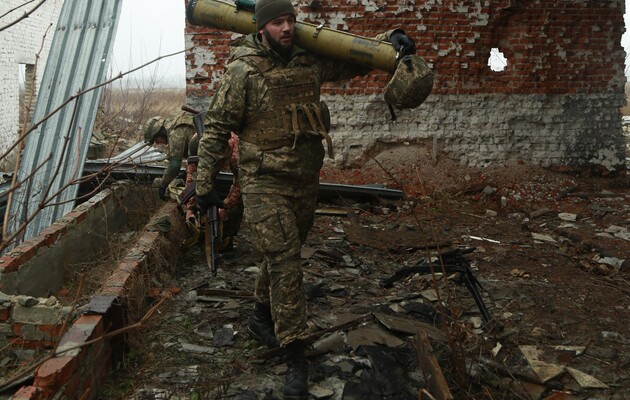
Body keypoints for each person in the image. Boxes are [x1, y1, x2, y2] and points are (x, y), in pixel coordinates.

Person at [194, 0, 415, 397]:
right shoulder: (243, 70)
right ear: (262, 28)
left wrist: (390, 43)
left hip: (304, 179)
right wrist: (205, 183)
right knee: (285, 258)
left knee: (286, 252)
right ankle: (294, 352)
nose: (287, 28)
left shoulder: (308, 61)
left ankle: (261, 317)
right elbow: (216, 128)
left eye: (291, 21)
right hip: (263, 181)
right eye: (278, 22)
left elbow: (356, 61)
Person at [143, 112, 198, 201]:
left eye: (155, 139)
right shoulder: (175, 123)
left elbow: (174, 166)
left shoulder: (174, 133)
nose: (157, 143)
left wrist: (162, 186)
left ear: (159, 133)